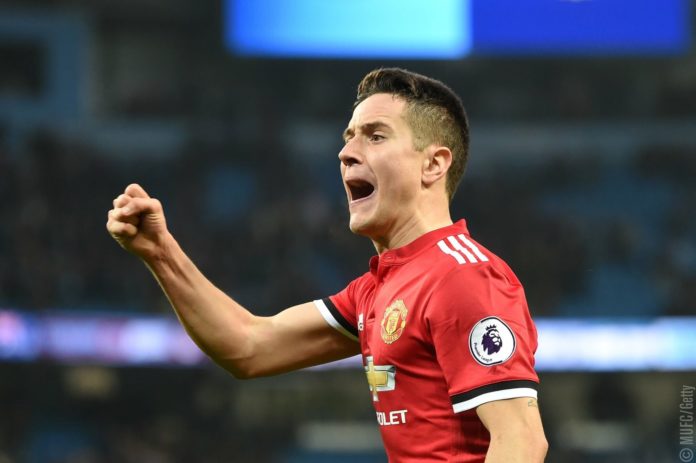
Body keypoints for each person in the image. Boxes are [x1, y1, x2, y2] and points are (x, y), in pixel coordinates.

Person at [107, 68, 548, 462]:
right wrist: (160, 252)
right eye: (348, 138)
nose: (347, 153)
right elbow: (248, 345)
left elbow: (522, 441)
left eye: (375, 136)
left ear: (433, 164)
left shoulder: (463, 276)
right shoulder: (376, 289)